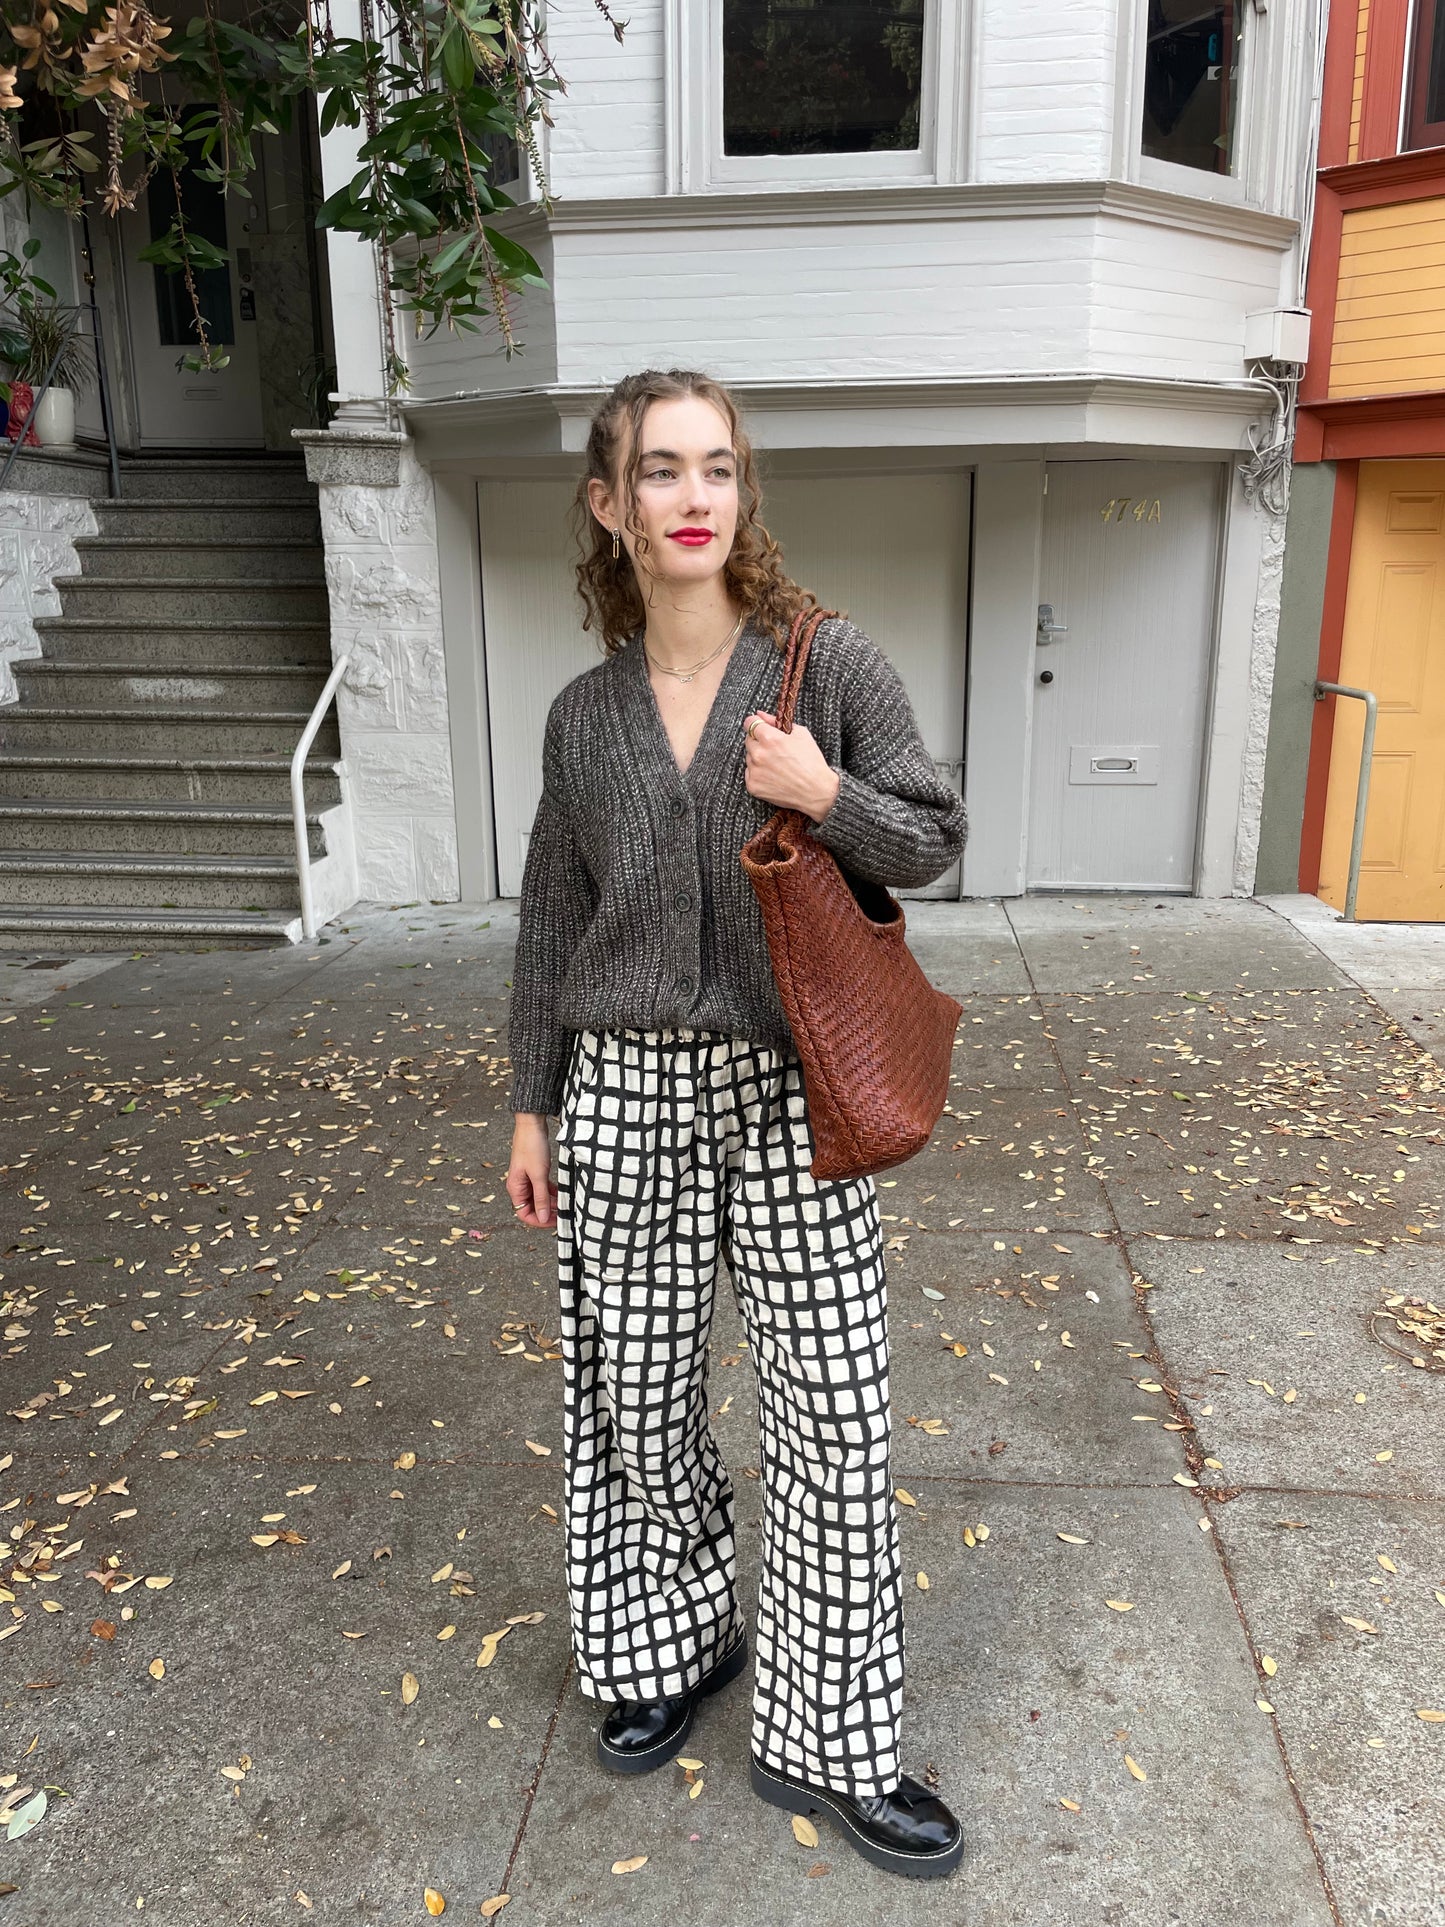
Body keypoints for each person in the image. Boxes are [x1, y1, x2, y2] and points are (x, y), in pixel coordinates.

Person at [504, 368, 969, 1879]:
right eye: (659, 470)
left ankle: (835, 1737)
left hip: (793, 1094)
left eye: (716, 466)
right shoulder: (583, 718)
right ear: (610, 505)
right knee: (634, 1402)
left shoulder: (825, 667)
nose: (692, 494)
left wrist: (826, 792)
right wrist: (532, 1103)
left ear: (742, 492)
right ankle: (673, 1637)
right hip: (621, 1095)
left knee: (832, 1411)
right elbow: (548, 921)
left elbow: (934, 835)